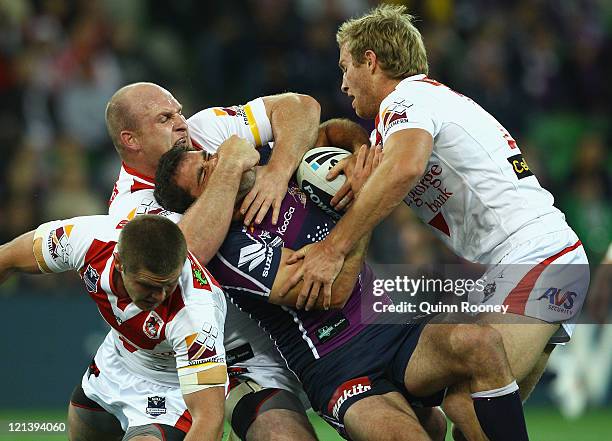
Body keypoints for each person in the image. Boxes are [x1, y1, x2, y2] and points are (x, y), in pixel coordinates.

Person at [286, 5, 591, 440]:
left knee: (463, 401)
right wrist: (352, 146)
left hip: (537, 258)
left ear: (370, 61)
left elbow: (406, 166)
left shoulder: (406, 100)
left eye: (346, 67)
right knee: (469, 414)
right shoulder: (421, 105)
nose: (342, 83)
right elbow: (357, 141)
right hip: (534, 260)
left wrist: (333, 248)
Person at [154, 145, 533, 441]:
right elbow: (333, 291)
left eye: (208, 156)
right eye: (207, 172)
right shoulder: (229, 252)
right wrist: (364, 206)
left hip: (390, 327)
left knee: (482, 344)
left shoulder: (279, 170)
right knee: (421, 434)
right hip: (338, 366)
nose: (221, 162)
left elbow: (316, 119)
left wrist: (354, 155)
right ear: (202, 203)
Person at [104, 82, 322, 441]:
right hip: (237, 357)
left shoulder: (203, 129)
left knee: (426, 420)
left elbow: (301, 106)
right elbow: (184, 254)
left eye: (177, 111)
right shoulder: (131, 207)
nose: (180, 123)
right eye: (164, 118)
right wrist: (231, 163)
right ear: (132, 140)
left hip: (301, 323)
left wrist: (278, 172)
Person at [0, 215, 227, 441]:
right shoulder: (88, 240)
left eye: (168, 285)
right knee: (82, 423)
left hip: (172, 386)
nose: (159, 296)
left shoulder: (197, 315)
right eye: (147, 285)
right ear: (118, 262)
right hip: (114, 363)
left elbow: (209, 419)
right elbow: (7, 257)